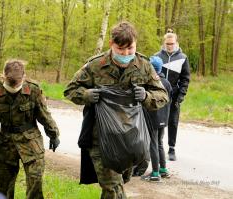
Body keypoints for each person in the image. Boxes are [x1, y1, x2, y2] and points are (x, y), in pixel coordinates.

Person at [64, 21, 168, 199]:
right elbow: (70, 90)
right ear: (111, 44)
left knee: (116, 185)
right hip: (101, 140)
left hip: (131, 139)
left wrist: (145, 96)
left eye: (131, 48)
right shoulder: (95, 66)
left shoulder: (143, 65)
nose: (126, 54)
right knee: (114, 189)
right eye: (121, 49)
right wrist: (87, 95)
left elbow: (162, 95)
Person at [0, 59, 60, 199]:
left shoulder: (33, 90)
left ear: (24, 76)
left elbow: (43, 114)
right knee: (3, 188)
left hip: (30, 141)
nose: (14, 86)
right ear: (3, 76)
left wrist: (53, 134)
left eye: (17, 83)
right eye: (10, 83)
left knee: (36, 181)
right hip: (5, 143)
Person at [155, 31, 190, 161]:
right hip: (159, 94)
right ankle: (158, 147)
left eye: (172, 44)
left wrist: (181, 95)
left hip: (174, 95)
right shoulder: (157, 57)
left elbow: (185, 78)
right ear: (164, 43)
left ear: (176, 43)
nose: (169, 46)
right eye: (167, 44)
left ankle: (171, 149)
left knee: (173, 122)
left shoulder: (183, 57)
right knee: (158, 121)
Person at [142, 56, 172, 182]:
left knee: (153, 143)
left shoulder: (150, 83)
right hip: (164, 117)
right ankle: (163, 169)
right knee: (159, 142)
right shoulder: (167, 82)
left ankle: (155, 173)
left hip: (153, 117)